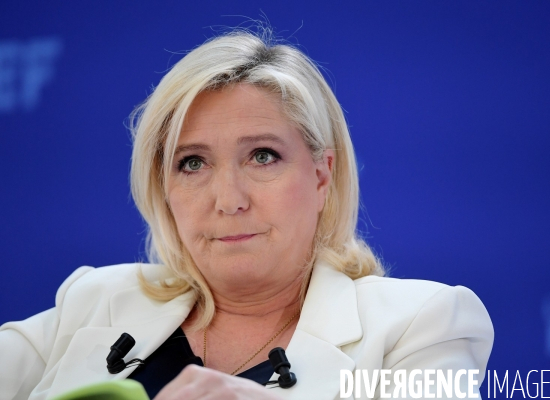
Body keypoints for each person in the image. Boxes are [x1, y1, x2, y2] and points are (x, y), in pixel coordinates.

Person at [0, 30, 493, 400]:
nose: (228, 200)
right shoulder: (92, 302)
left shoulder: (420, 325)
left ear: (322, 176)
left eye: (262, 156)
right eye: (193, 163)